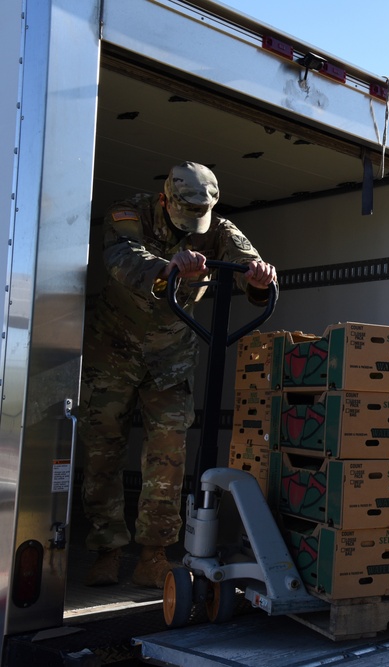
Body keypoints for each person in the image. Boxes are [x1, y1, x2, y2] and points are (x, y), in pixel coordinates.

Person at [80, 161, 277, 588]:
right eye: (183, 212)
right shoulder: (129, 213)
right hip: (113, 351)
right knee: (102, 451)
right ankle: (106, 549)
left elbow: (251, 266)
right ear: (165, 198)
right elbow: (120, 257)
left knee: (167, 457)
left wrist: (260, 279)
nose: (192, 224)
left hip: (171, 356)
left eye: (199, 215)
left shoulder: (218, 228)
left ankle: (154, 552)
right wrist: (167, 268)